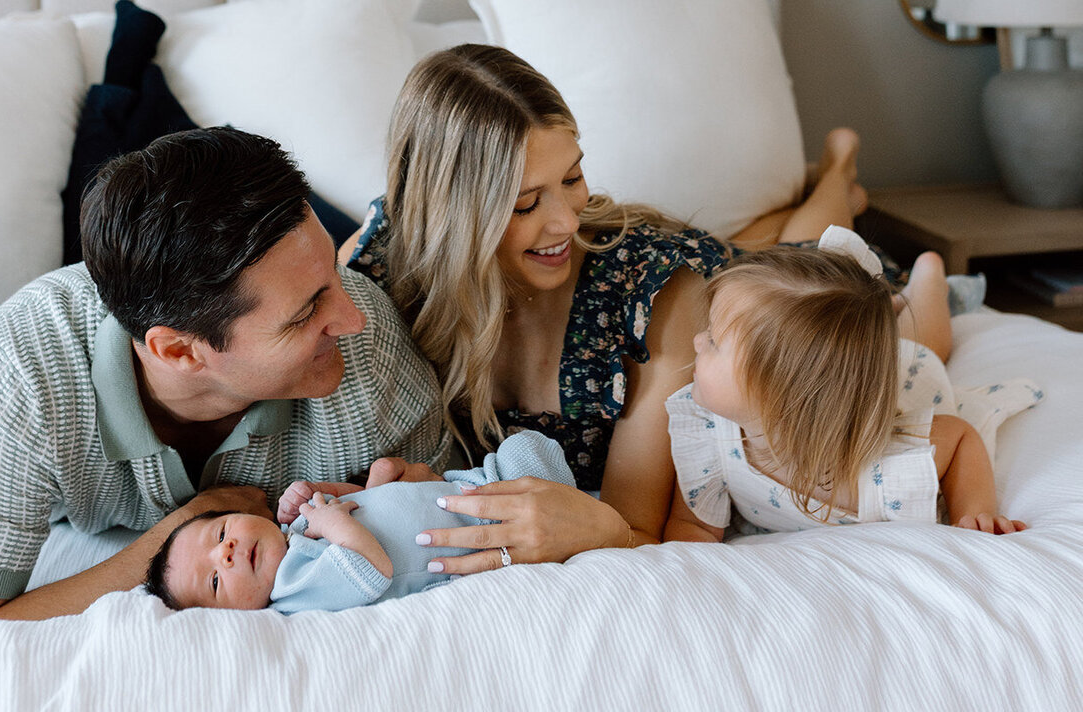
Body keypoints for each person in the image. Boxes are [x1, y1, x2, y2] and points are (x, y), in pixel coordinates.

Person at [338, 44, 871, 575]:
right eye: (526, 203)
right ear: (448, 217)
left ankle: (837, 172)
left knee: (809, 262)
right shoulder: (382, 265)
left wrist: (602, 529)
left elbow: (638, 527)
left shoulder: (655, 296)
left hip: (745, 293)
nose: (567, 222)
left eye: (572, 179)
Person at [0, 127, 448, 638]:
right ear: (180, 350)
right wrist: (179, 531)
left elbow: (449, 512)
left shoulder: (366, 345)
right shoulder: (21, 376)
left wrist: (418, 495)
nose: (351, 318)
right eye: (305, 314)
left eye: (334, 271)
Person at [664, 228, 1041, 541]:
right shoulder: (708, 435)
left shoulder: (892, 461)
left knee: (923, 346)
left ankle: (929, 278)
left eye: (713, 341)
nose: (697, 341)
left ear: (781, 391)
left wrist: (974, 513)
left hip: (905, 381)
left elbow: (961, 437)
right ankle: (889, 311)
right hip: (847, 378)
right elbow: (694, 524)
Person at [144, 431, 574, 613]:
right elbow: (371, 567)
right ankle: (580, 526)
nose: (226, 552)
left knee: (525, 449)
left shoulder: (295, 540)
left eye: (221, 533)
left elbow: (365, 502)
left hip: (473, 488)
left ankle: (572, 512)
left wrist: (320, 493)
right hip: (491, 533)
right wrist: (329, 521)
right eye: (216, 581)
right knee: (531, 460)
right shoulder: (294, 588)